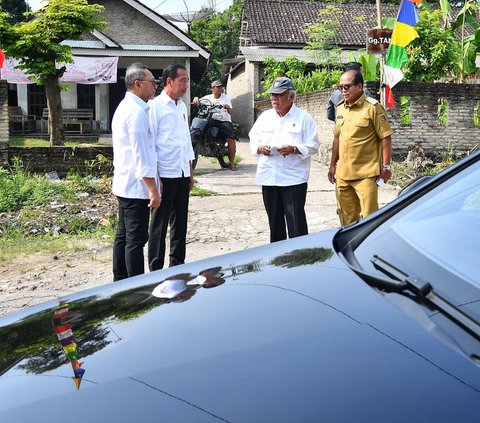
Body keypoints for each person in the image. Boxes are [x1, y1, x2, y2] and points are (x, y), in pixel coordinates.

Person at [249, 77, 320, 243]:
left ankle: (300, 260)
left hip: (293, 179)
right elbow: (253, 137)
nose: (274, 98)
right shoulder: (265, 117)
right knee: (275, 224)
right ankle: (278, 261)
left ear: (291, 97)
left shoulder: (304, 118)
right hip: (269, 177)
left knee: (296, 224)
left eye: (279, 95)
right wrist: (259, 148)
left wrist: (294, 149)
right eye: (272, 94)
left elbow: (314, 145)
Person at [111, 62, 161, 281]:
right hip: (136, 187)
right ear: (138, 84)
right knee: (136, 239)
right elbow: (141, 155)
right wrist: (153, 189)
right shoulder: (136, 112)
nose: (156, 86)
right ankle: (135, 287)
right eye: (153, 82)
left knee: (123, 236)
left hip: (125, 184)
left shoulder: (126, 107)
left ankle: (120, 281)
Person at [328, 69, 393, 226]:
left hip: (366, 174)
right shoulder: (341, 108)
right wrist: (332, 165)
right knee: (346, 220)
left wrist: (386, 166)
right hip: (343, 174)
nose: (343, 91)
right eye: (340, 87)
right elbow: (337, 138)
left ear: (360, 86)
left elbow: (385, 137)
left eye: (347, 86)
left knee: (370, 221)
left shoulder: (373, 108)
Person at [147, 64, 195, 271]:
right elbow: (151, 145)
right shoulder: (154, 107)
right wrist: (155, 181)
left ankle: (177, 264)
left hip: (182, 172)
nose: (186, 85)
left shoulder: (182, 106)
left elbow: (186, 140)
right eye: (182, 81)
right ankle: (155, 268)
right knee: (159, 224)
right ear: (169, 82)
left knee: (180, 223)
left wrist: (190, 171)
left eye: (187, 81)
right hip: (165, 174)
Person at [192, 80, 237, 170]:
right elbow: (197, 101)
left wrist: (228, 108)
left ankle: (232, 163)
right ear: (212, 89)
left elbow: (231, 112)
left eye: (221, 87)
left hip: (224, 121)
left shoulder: (226, 98)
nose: (220, 88)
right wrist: (196, 99)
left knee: (230, 139)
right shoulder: (208, 98)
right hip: (211, 120)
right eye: (218, 87)